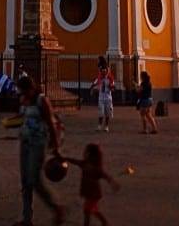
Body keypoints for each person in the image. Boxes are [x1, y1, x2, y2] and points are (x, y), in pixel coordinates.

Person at [13, 75, 65, 226]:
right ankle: (27, 219)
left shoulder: (42, 101)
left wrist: (56, 147)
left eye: (24, 91)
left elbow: (50, 123)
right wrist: (10, 122)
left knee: (34, 180)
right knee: (25, 182)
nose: (22, 94)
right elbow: (22, 117)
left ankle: (57, 208)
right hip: (25, 142)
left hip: (38, 143)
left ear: (31, 88)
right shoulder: (23, 100)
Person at [63, 142, 119, 226]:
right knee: (94, 210)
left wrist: (113, 183)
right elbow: (74, 161)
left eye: (85, 152)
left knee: (87, 211)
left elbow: (105, 176)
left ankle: (90, 224)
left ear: (89, 154)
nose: (83, 153)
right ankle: (104, 222)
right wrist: (65, 158)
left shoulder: (95, 168)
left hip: (93, 193)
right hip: (89, 193)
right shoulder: (85, 163)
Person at [90, 59, 114, 133]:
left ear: (107, 71)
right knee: (101, 112)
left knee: (107, 113)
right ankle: (99, 125)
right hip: (101, 97)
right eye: (102, 71)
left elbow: (113, 88)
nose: (103, 73)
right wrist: (92, 89)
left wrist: (111, 87)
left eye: (105, 71)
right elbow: (94, 84)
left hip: (108, 98)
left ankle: (106, 126)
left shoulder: (110, 78)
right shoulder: (99, 78)